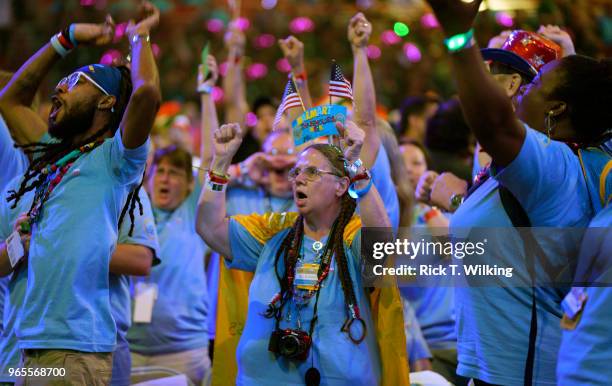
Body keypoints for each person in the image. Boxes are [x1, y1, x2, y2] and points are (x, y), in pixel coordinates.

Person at [424, 1, 612, 385]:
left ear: (557, 108)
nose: (523, 91)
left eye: (537, 85)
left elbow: (496, 124)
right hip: (501, 368)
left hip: (521, 372)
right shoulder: (573, 159)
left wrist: (459, 38)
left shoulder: (555, 167)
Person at [0, 3, 160, 383]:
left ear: (106, 101)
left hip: (77, 348)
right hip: (31, 344)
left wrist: (139, 38)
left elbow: (148, 92)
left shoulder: (113, 159)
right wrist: (65, 38)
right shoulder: (50, 160)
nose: (59, 87)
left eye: (75, 83)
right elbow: (9, 100)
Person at [196, 120, 408, 385]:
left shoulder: (351, 235)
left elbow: (380, 245)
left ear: (341, 186)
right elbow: (209, 227)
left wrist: (356, 166)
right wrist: (219, 165)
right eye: (296, 172)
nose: (298, 178)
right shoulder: (272, 232)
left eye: (311, 172)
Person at [127, 54, 218, 386]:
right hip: (130, 350)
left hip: (185, 353)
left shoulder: (194, 210)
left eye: (175, 173)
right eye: (159, 172)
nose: (165, 179)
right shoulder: (134, 209)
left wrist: (206, 93)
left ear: (190, 183)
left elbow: (210, 157)